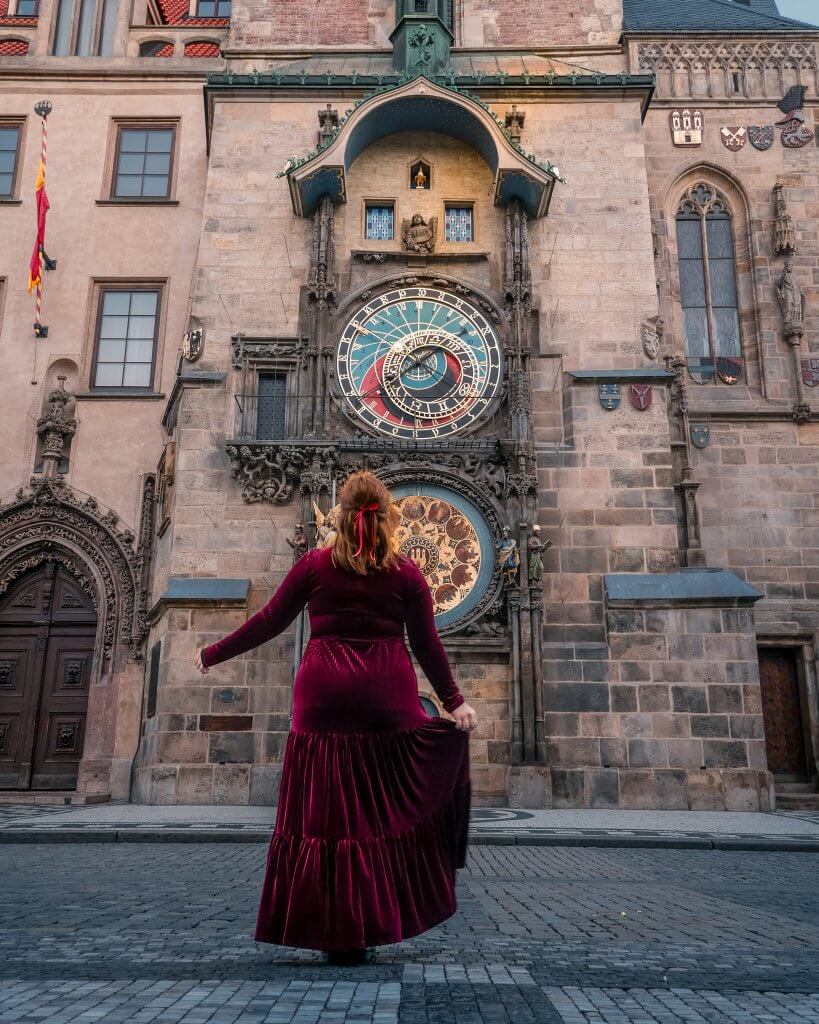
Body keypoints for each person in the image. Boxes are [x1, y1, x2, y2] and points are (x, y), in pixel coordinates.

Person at [195, 471, 477, 964]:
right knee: (379, 812)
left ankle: (329, 928)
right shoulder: (406, 573)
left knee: (324, 816)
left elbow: (269, 621)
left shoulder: (315, 565)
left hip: (323, 696)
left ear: (341, 516)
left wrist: (215, 652)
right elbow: (427, 645)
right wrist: (454, 703)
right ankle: (371, 921)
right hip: (385, 696)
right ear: (387, 517)